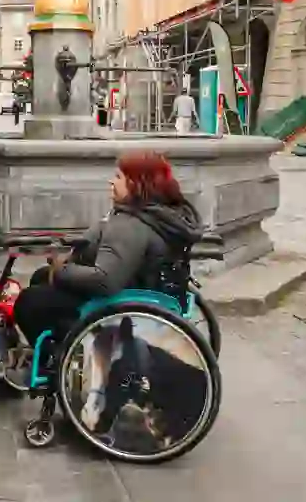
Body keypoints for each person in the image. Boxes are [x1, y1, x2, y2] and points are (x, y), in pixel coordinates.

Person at [11, 151, 204, 358]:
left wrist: (60, 271)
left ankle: (56, 358)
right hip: (151, 290)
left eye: (119, 177)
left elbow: (105, 281)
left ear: (137, 184)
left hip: (123, 303)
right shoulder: (165, 215)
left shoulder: (130, 225)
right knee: (41, 277)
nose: (111, 182)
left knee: (28, 302)